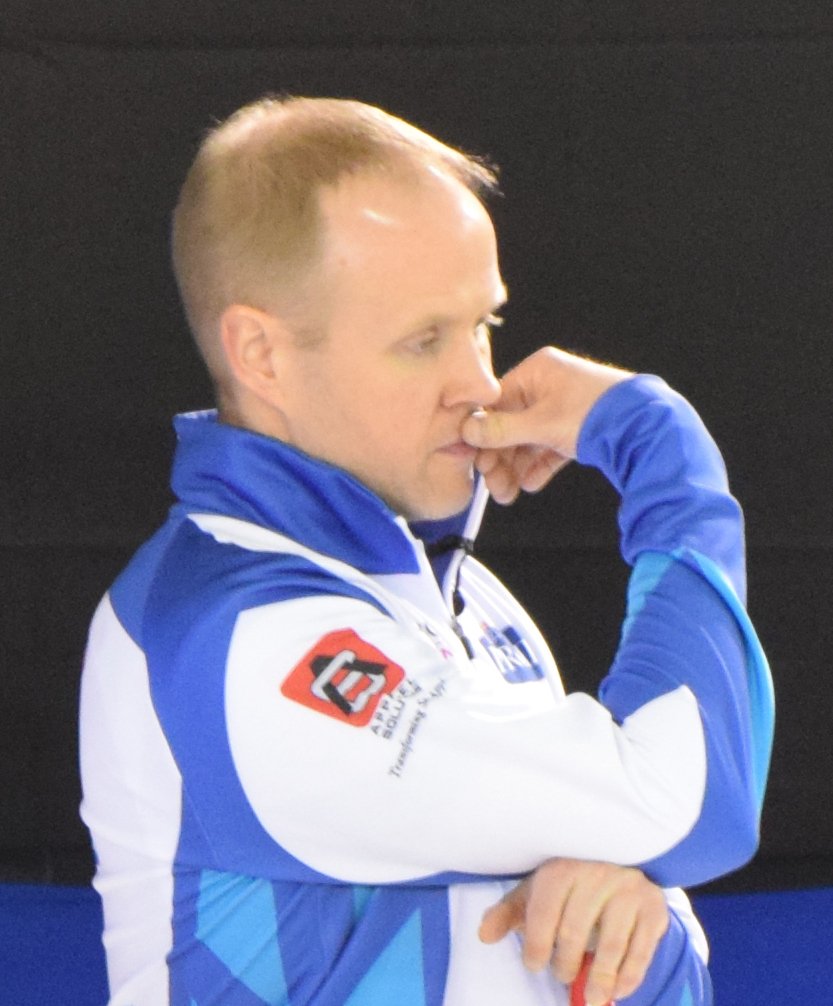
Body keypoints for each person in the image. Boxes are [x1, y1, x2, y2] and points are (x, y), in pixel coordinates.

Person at [79, 96, 774, 1006]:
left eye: (482, 325)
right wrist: (662, 454)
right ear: (260, 354)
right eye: (423, 341)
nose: (479, 382)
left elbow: (640, 912)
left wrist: (642, 905)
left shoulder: (472, 605)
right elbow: (692, 805)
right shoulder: (239, 636)